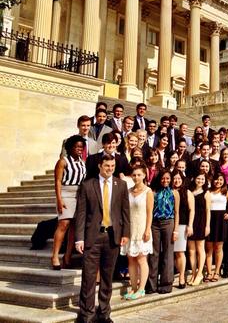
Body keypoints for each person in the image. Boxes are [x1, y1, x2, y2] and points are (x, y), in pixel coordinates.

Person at [74, 154, 130, 323]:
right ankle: (87, 314)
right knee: (89, 277)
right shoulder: (87, 185)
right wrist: (79, 238)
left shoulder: (121, 185)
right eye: (107, 166)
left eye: (112, 166)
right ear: (100, 166)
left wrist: (125, 233)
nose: (110, 169)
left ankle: (104, 313)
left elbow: (125, 212)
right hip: (92, 236)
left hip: (112, 236)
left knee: (107, 277)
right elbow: (81, 214)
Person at [51, 135, 87, 270]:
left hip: (80, 194)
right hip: (66, 193)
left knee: (74, 227)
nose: (79, 149)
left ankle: (67, 256)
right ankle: (55, 256)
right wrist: (59, 199)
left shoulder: (83, 162)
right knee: (64, 223)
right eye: (77, 146)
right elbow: (58, 181)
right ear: (70, 147)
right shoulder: (63, 161)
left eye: (81, 147)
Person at [120, 165, 153, 300]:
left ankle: (141, 289)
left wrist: (147, 230)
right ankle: (133, 288)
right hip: (130, 229)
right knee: (131, 259)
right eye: (134, 175)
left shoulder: (148, 192)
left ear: (144, 175)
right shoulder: (128, 191)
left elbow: (150, 213)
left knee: (141, 258)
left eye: (139, 175)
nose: (136, 177)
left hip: (142, 229)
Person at [147, 170, 180, 294]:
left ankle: (166, 284)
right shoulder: (153, 192)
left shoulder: (174, 193)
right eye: (163, 178)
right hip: (154, 224)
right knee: (153, 254)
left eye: (167, 178)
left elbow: (176, 212)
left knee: (168, 253)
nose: (165, 181)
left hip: (168, 223)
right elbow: (149, 211)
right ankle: (152, 285)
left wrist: (176, 230)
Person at [205, 173, 228, 282]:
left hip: (221, 221)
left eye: (221, 180)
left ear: (224, 181)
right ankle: (209, 272)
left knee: (218, 248)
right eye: (216, 179)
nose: (218, 182)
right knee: (209, 248)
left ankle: (217, 271)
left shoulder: (226, 192)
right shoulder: (208, 192)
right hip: (209, 219)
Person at [187, 169, 211, 286]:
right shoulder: (190, 191)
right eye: (198, 178)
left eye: (202, 179)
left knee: (200, 249)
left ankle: (200, 273)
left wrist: (207, 226)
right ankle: (193, 273)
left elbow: (208, 211)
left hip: (201, 222)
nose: (200, 180)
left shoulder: (206, 193)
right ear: (194, 179)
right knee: (191, 250)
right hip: (191, 222)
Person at [172, 171, 194, 288]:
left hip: (182, 225)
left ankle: (181, 277)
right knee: (172, 253)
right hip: (169, 224)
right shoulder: (169, 191)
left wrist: (190, 225)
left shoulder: (187, 192)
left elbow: (192, 210)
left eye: (179, 178)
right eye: (175, 178)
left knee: (180, 252)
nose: (177, 181)